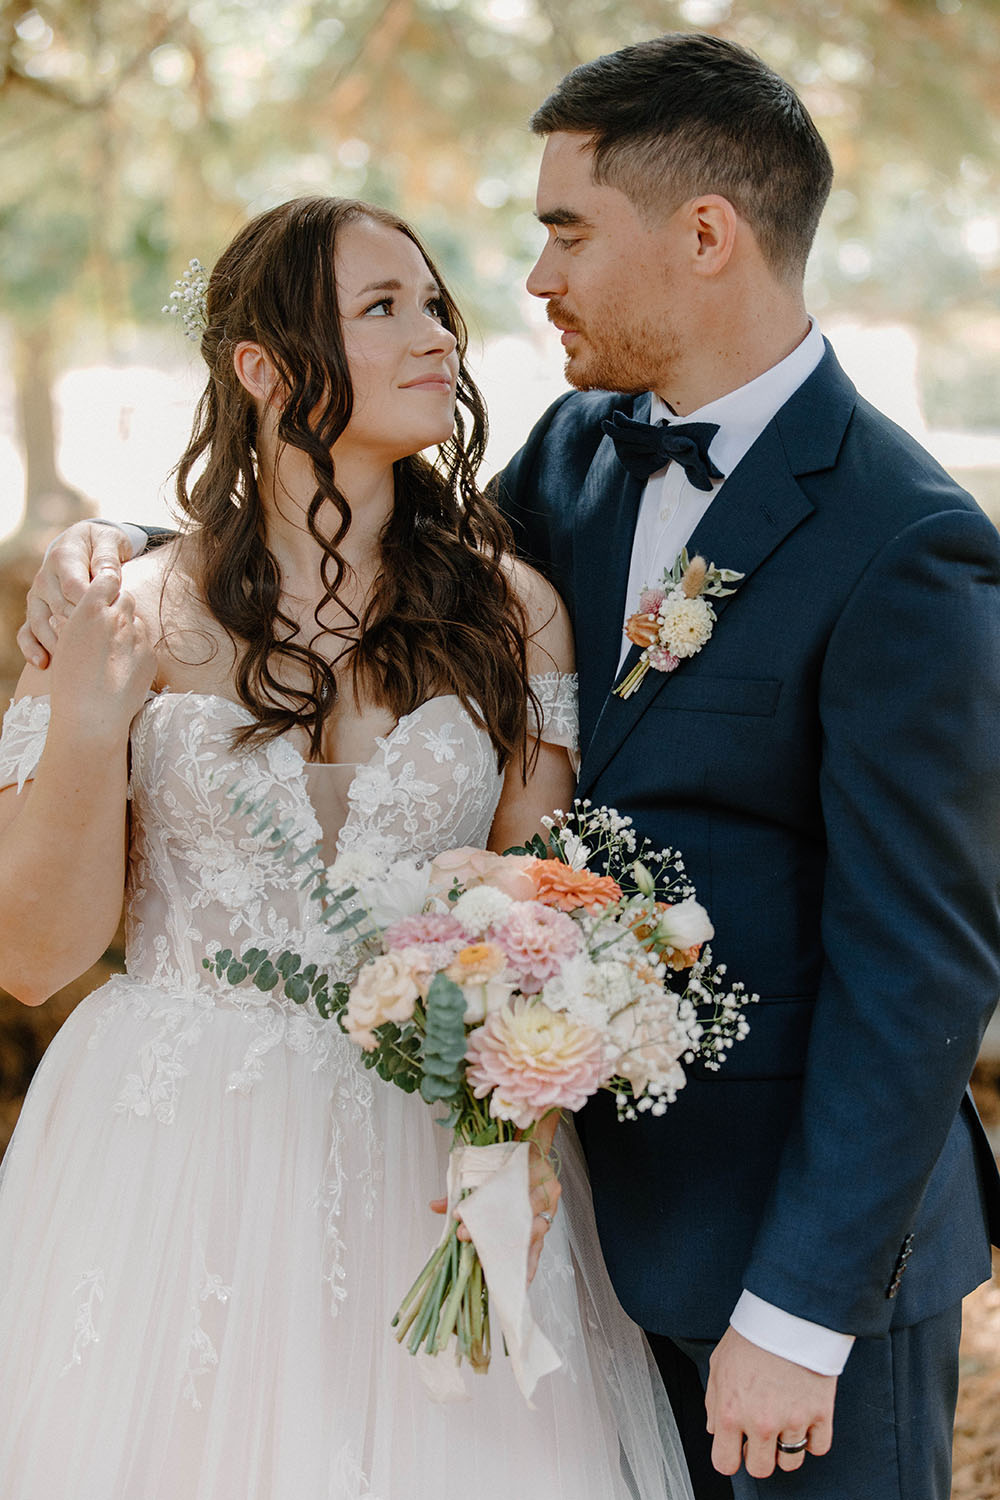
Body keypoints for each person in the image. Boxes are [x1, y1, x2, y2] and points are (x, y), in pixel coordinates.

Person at [19, 33, 1000, 1500]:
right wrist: (135, 574)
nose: (518, 288)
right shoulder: (584, 458)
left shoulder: (906, 543)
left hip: (790, 1273)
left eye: (564, 230)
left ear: (706, 236)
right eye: (396, 301)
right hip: (447, 1200)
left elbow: (921, 964)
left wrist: (800, 1312)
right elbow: (334, 565)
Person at [0, 196, 692, 1499]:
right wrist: (90, 727)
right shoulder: (121, 604)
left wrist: (527, 1055)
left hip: (427, 1147)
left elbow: (536, 908)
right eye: (384, 308)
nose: (437, 333)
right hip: (168, 1153)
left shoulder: (512, 612)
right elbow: (34, 957)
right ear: (262, 368)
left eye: (435, 303)